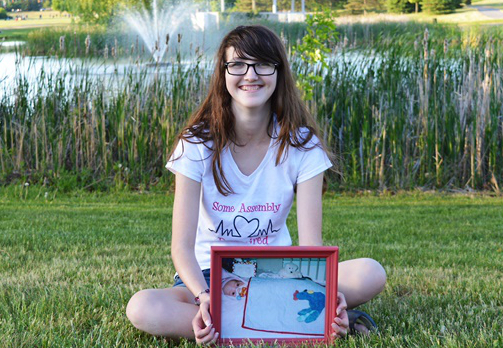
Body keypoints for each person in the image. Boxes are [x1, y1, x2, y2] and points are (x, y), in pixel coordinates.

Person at [126, 25, 386, 345]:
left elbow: (310, 247)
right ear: (223, 73)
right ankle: (282, 322)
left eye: (263, 64)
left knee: (371, 273)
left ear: (278, 72)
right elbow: (181, 248)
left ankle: (244, 322)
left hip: (279, 275)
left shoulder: (303, 146)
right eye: (237, 64)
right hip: (210, 278)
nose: (250, 75)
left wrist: (326, 290)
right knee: (142, 308)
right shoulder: (196, 144)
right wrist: (204, 296)